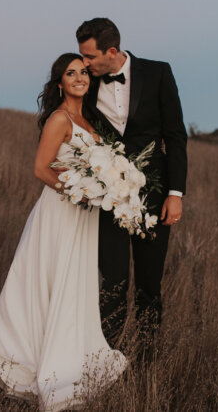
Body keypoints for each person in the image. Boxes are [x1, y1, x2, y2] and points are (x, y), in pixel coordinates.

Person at [0, 53, 127, 412]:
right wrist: (78, 191)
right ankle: (36, 353)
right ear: (60, 82)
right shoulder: (59, 119)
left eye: (84, 72)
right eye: (71, 73)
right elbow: (41, 169)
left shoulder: (88, 120)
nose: (79, 78)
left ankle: (72, 343)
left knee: (74, 282)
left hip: (84, 217)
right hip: (60, 212)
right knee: (50, 278)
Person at [76, 18, 188, 346]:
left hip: (154, 195)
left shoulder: (159, 73)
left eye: (90, 57)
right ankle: (110, 356)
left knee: (149, 283)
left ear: (112, 52)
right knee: (112, 281)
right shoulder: (88, 82)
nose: (84, 64)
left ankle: (146, 355)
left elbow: (176, 136)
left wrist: (175, 193)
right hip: (107, 196)